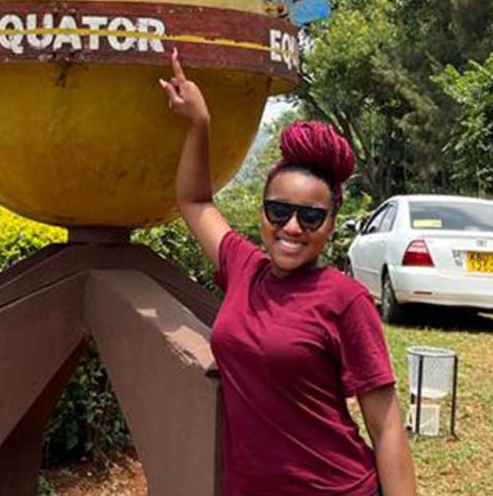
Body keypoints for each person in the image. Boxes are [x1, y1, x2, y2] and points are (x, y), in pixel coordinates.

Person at [160, 50, 416, 496]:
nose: (292, 227)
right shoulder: (243, 267)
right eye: (279, 211)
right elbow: (195, 201)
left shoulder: (345, 299)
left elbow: (387, 424)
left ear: (332, 224)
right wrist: (199, 123)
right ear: (262, 214)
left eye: (311, 217)